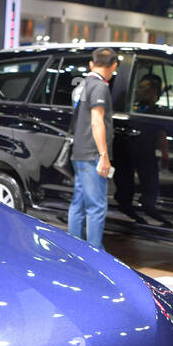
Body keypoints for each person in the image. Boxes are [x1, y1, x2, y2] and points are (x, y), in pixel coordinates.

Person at [67, 47, 118, 251]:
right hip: (92, 154)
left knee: (78, 204)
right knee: (96, 207)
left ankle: (75, 249)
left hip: (79, 151)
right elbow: (97, 122)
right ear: (113, 66)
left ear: (92, 63)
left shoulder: (83, 84)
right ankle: (95, 252)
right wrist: (104, 155)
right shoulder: (99, 87)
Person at [114, 73, 167, 224]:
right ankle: (129, 208)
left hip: (147, 156)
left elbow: (162, 136)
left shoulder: (160, 113)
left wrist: (165, 154)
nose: (137, 89)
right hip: (128, 154)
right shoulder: (133, 110)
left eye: (142, 87)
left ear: (153, 92)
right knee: (126, 184)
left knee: (149, 187)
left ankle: (148, 209)